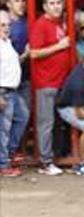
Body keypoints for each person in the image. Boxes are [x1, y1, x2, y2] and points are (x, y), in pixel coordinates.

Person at [30, 0, 73, 176]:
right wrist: (59, 46)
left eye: (59, 3)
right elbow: (34, 53)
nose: (56, 6)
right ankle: (45, 162)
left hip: (61, 82)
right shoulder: (41, 24)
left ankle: (55, 157)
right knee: (46, 122)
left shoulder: (61, 22)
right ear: (45, 7)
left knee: (57, 123)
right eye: (52, 3)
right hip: (46, 82)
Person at [6, 0, 29, 166]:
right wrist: (25, 55)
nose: (21, 4)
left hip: (23, 78)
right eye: (16, 0)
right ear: (7, 4)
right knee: (7, 121)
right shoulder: (4, 25)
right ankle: (6, 156)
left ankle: (11, 151)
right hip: (6, 82)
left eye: (23, 0)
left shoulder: (28, 23)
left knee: (22, 116)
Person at [0, 10, 22, 177]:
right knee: (4, 129)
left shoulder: (6, 42)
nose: (6, 28)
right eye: (2, 25)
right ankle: (3, 163)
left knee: (22, 117)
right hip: (3, 90)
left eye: (8, 25)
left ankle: (8, 153)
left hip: (12, 89)